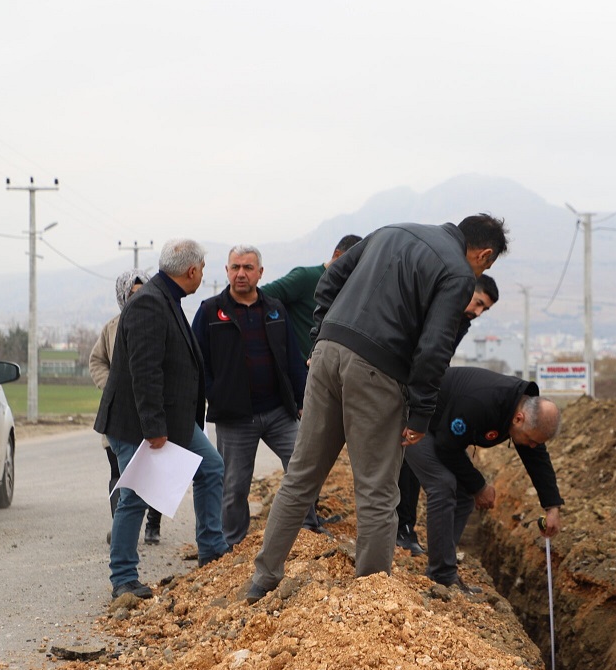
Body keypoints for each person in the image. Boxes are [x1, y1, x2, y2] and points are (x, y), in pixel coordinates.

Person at [245, 214, 509, 604]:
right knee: (377, 490)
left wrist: (320, 336)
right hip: (378, 372)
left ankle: (262, 580)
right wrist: (420, 414)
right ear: (484, 254)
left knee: (300, 477)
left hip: (328, 355)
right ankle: (370, 597)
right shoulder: (457, 273)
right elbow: (434, 348)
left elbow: (330, 279)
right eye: (485, 265)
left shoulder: (391, 231)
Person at [94, 239, 229, 600]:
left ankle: (212, 551)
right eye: (203, 267)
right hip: (138, 424)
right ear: (191, 270)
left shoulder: (166, 299)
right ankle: (123, 578)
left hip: (173, 421)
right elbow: (144, 370)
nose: (203, 273)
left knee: (211, 468)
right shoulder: (150, 304)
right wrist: (154, 428)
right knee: (136, 495)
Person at [192, 245, 314, 549]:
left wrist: (301, 402)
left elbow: (293, 359)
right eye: (235, 267)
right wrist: (215, 392)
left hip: (279, 412)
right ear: (227, 271)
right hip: (236, 417)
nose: (241, 274)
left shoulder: (275, 309)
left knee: (303, 468)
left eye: (248, 268)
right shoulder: (210, 311)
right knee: (234, 486)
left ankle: (309, 531)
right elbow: (195, 360)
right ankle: (233, 543)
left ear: (260, 273)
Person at [403, 366, 563, 592]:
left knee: (463, 494)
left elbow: (537, 458)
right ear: (519, 419)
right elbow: (447, 447)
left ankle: (443, 567)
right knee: (443, 484)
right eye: (531, 440)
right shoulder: (481, 403)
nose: (533, 446)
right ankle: (441, 575)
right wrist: (479, 486)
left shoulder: (523, 413)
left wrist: (552, 507)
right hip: (416, 418)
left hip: (441, 424)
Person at [396, 273, 499, 555]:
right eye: (478, 303)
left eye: (484, 310)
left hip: (423, 391)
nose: (477, 313)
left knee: (412, 460)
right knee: (413, 462)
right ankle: (400, 529)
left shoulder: (461, 321)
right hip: (401, 385)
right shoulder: (440, 306)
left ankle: (404, 530)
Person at [89, 269, 163, 545]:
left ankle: (152, 525)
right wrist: (113, 386)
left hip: (152, 412)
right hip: (119, 414)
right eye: (133, 294)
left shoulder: (159, 323)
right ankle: (121, 528)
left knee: (153, 472)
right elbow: (97, 361)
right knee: (119, 474)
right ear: (122, 296)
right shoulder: (111, 327)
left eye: (144, 292)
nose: (139, 299)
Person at [258, 234, 363, 361]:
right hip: (301, 367)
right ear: (337, 254)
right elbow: (262, 295)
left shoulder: (349, 289)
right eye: (352, 263)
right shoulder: (305, 277)